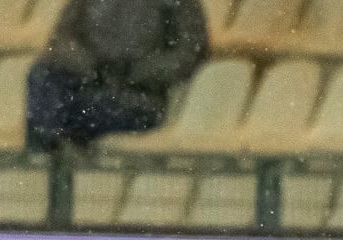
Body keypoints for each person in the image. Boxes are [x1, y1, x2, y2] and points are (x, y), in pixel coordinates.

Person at [25, 0, 208, 154]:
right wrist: (92, 68)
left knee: (52, 115)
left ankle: (50, 158)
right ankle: (54, 150)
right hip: (89, 84)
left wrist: (134, 72)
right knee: (42, 75)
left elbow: (190, 52)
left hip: (138, 98)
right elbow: (63, 40)